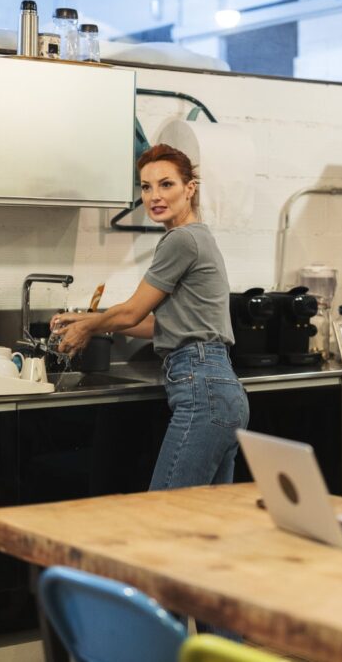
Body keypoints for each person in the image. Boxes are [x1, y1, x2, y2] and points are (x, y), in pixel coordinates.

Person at [52, 143, 249, 491]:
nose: (154, 196)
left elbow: (131, 311)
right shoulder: (200, 238)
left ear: (190, 188)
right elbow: (159, 324)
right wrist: (88, 322)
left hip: (201, 390)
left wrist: (88, 324)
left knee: (166, 513)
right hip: (222, 392)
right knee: (207, 525)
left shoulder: (180, 240)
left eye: (166, 184)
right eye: (146, 186)